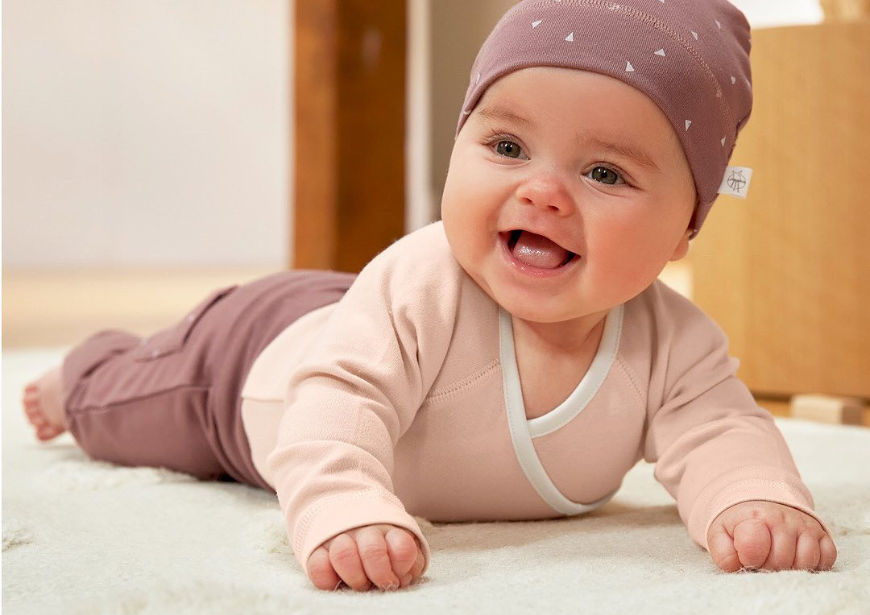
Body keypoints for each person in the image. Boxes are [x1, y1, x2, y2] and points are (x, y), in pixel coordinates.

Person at [23, 0, 838, 593]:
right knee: (132, 408)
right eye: (508, 146)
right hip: (251, 364)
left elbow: (722, 430)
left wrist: (754, 499)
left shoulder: (674, 344)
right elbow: (337, 398)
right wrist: (344, 506)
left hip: (357, 313)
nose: (542, 192)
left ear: (683, 229)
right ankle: (91, 367)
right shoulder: (423, 284)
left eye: (604, 173)